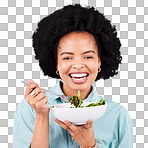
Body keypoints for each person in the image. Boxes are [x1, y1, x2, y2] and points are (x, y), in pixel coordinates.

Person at [13, 4, 133, 148]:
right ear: (56, 64)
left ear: (99, 62)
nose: (78, 65)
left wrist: (90, 145)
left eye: (88, 57)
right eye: (67, 58)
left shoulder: (118, 116)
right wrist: (41, 116)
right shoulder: (30, 109)